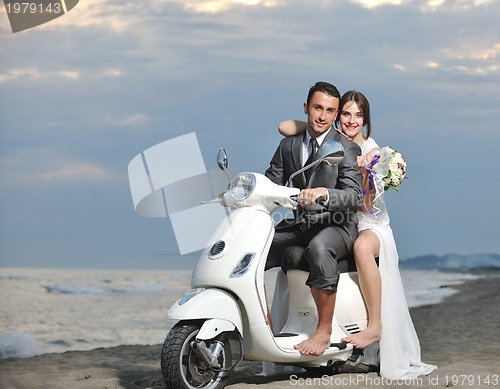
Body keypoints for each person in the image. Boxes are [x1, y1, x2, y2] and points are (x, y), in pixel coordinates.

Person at [278, 90, 437, 379]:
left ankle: (374, 325)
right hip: (339, 220)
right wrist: (316, 123)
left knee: (362, 248)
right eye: (346, 114)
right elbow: (284, 128)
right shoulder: (333, 135)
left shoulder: (372, 150)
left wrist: (366, 171)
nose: (352, 121)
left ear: (366, 120)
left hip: (370, 223)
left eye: (358, 115)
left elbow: (365, 205)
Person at [264, 82, 363, 356]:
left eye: (330, 111)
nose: (323, 116)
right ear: (306, 108)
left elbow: (354, 197)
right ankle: (265, 328)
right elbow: (271, 184)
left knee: (318, 248)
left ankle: (323, 331)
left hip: (337, 225)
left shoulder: (346, 148)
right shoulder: (288, 145)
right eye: (318, 108)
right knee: (256, 249)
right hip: (300, 225)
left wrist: (324, 193)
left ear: (335, 114)